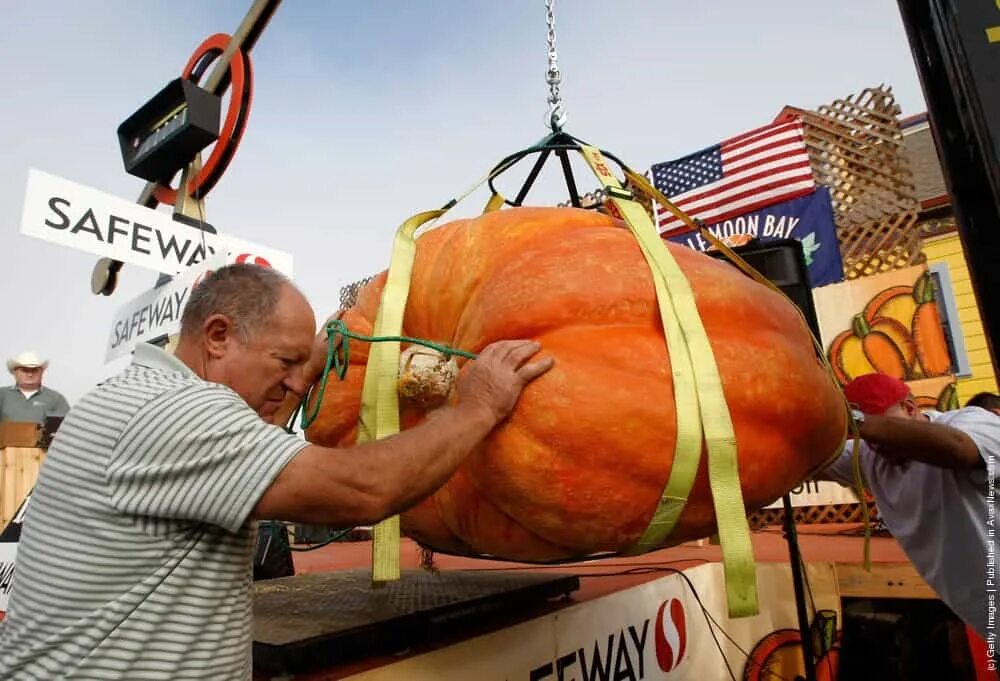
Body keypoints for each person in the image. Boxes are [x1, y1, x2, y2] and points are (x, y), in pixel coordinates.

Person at [0, 264, 554, 680]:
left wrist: (309, 359)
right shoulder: (175, 412)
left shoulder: (140, 395)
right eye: (283, 364)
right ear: (217, 337)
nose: (295, 384)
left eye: (298, 366)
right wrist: (479, 407)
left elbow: (253, 418)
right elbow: (366, 490)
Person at [820, 372, 1000, 640]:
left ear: (910, 407)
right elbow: (805, 457)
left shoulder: (971, 421)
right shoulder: (871, 456)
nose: (877, 442)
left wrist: (858, 422)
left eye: (880, 427)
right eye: (866, 437)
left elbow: (959, 449)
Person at [0, 351, 70, 425]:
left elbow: (66, 429)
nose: (30, 374)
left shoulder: (56, 399)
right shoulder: (2, 395)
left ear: (42, 372)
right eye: (24, 370)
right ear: (14, 372)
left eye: (34, 370)